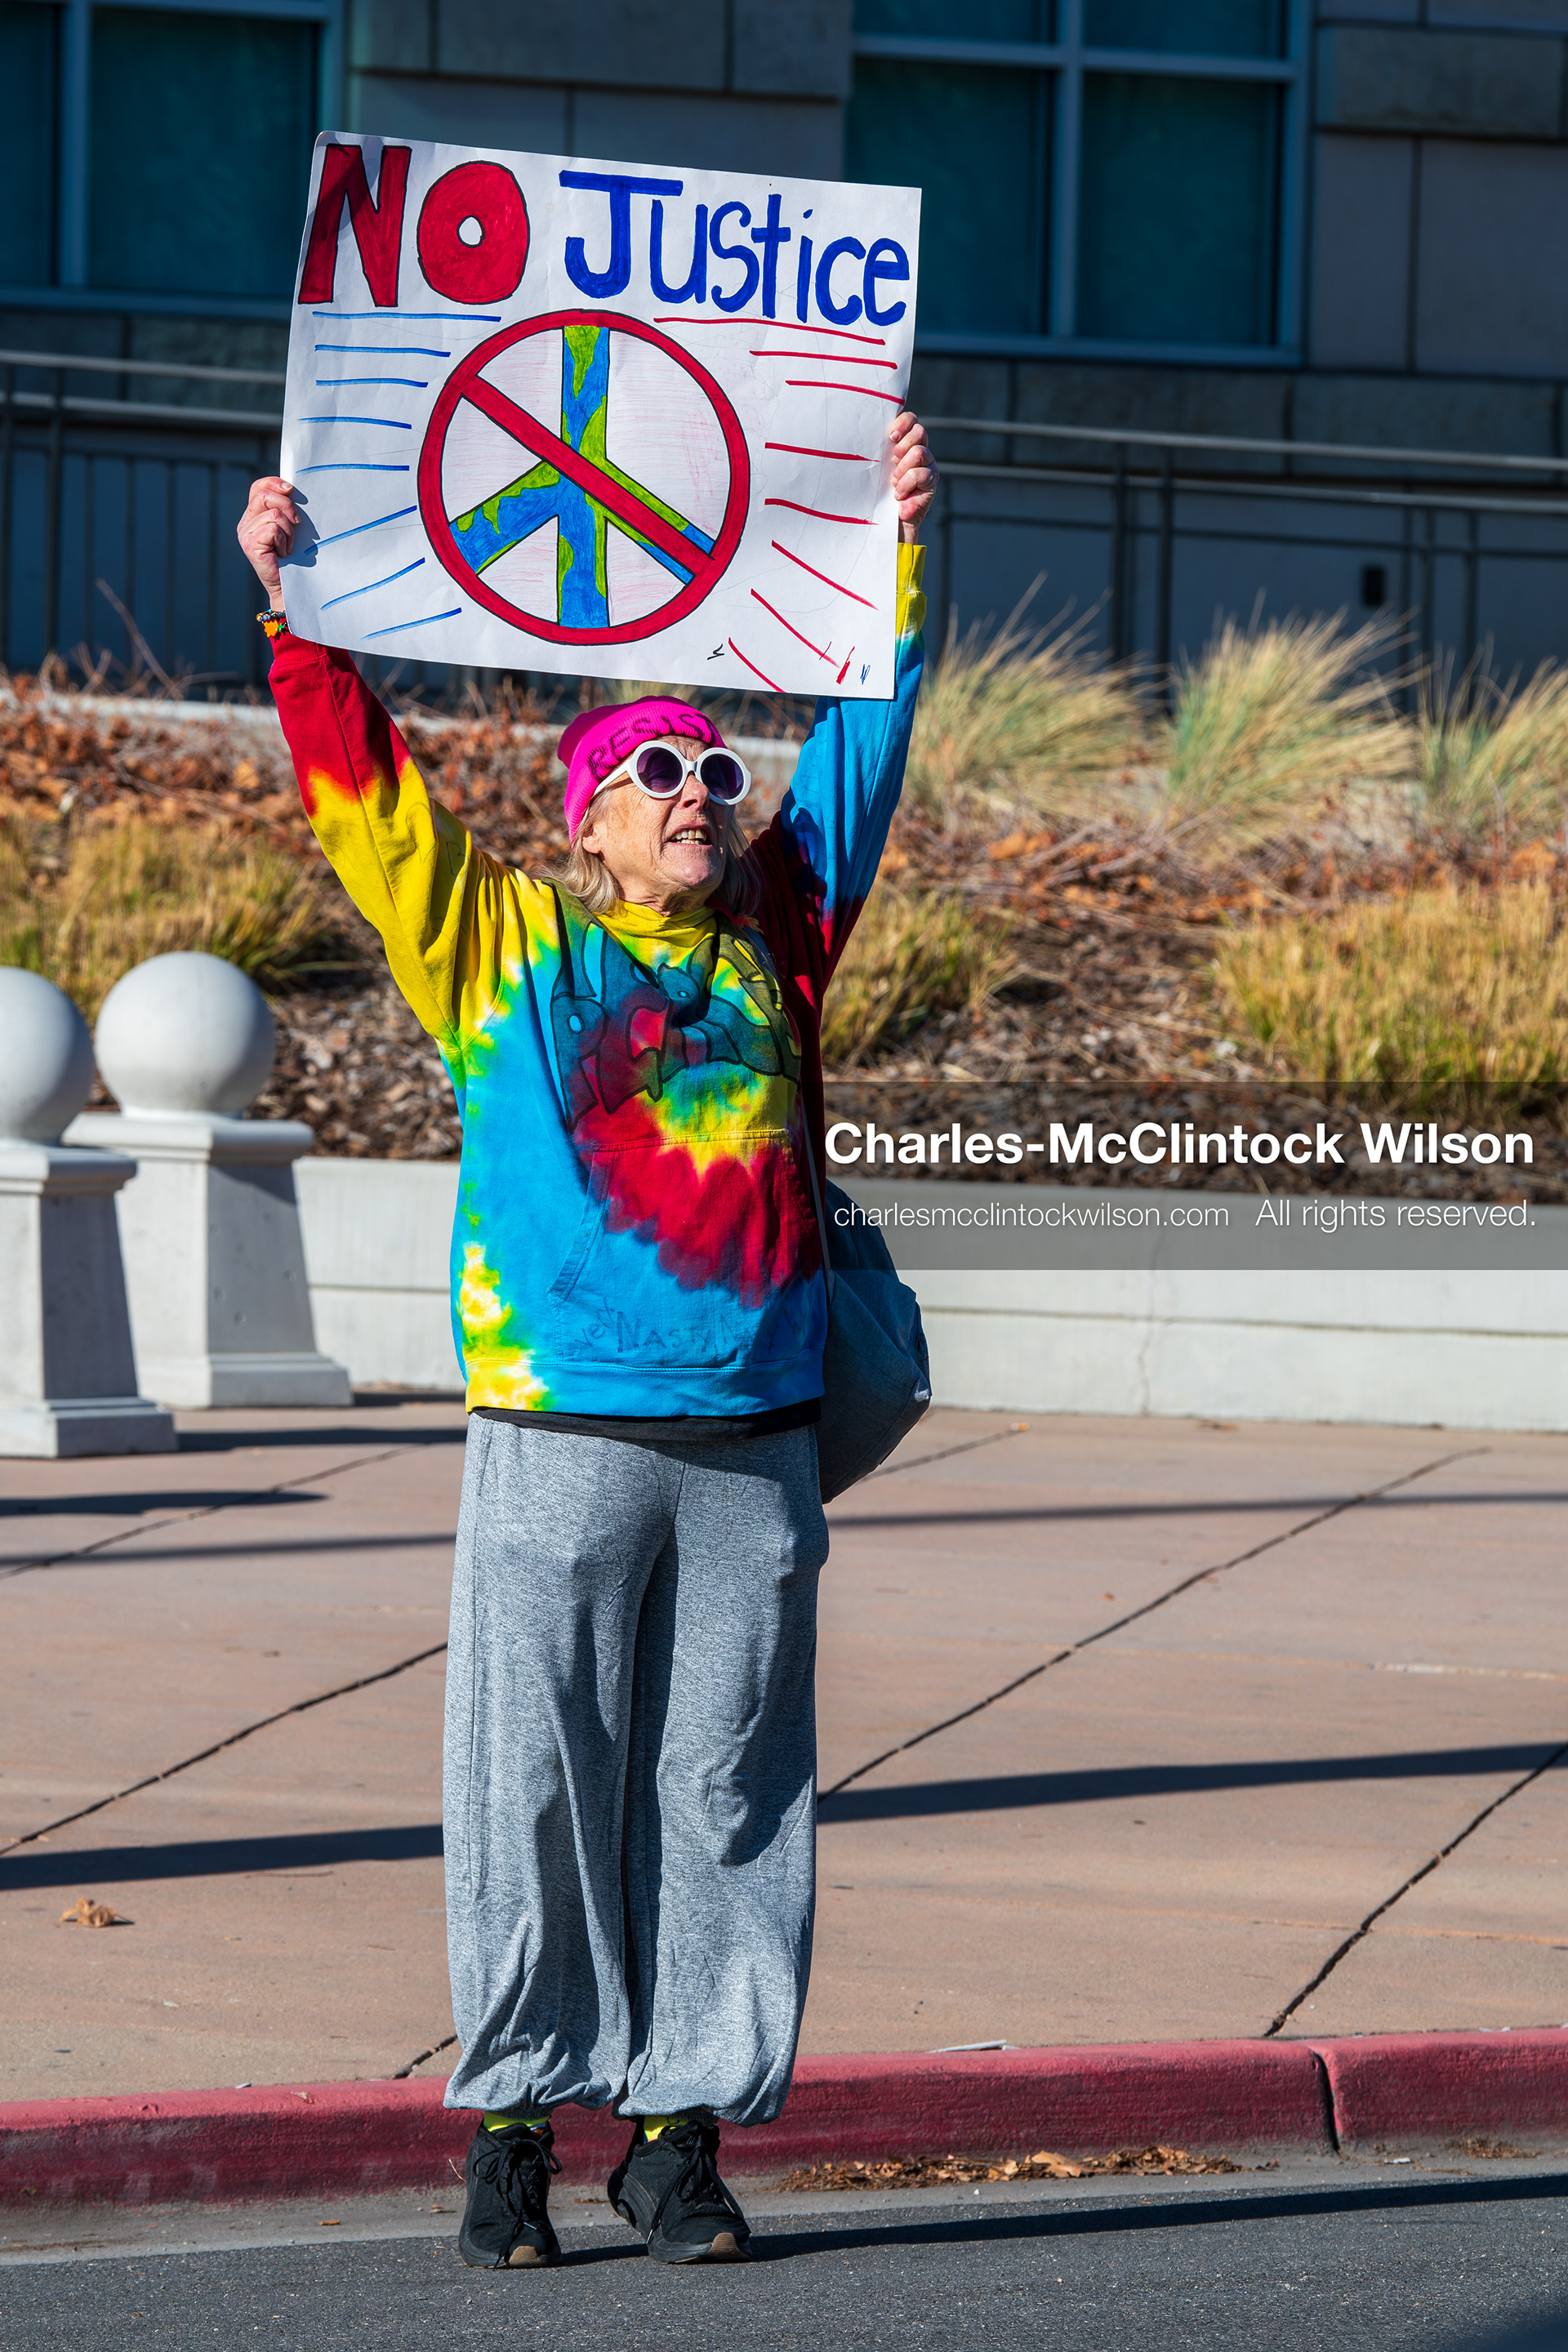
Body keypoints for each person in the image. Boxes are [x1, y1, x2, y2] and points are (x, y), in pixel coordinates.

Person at [236, 408, 937, 2271]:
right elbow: (365, 798)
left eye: (713, 766)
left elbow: (865, 744)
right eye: (655, 774)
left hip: (758, 1439)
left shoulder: (784, 937)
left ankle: (677, 2138)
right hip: (556, 1432)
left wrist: (893, 558)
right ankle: (509, 2134)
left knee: (726, 1790)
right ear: (587, 817)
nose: (698, 792)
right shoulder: (504, 954)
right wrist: (299, 618)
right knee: (531, 1786)